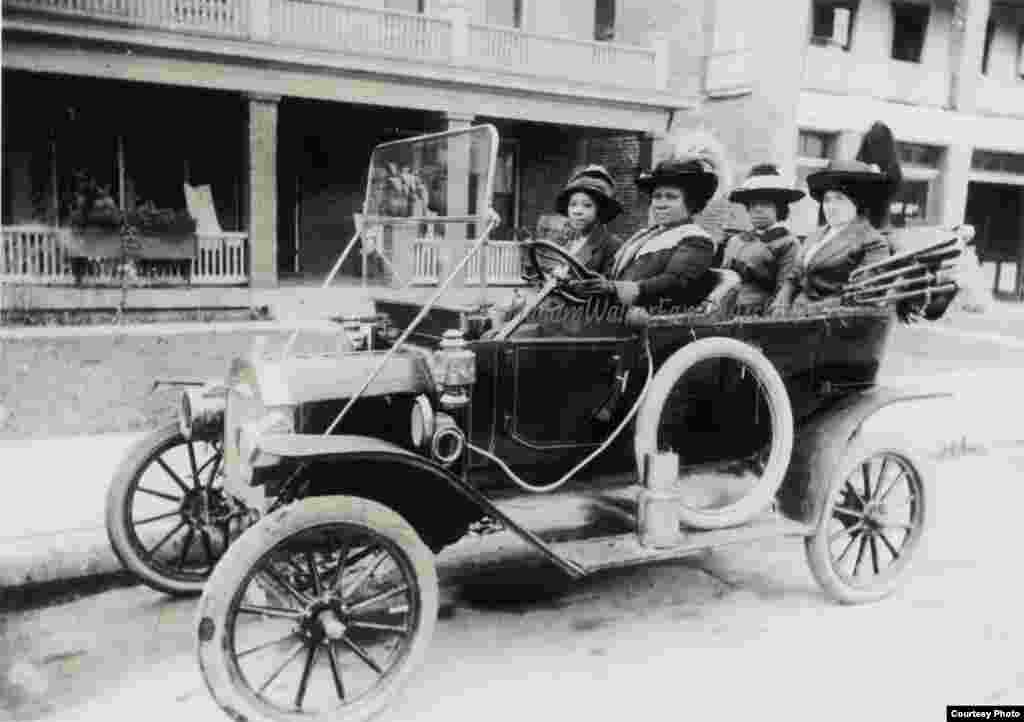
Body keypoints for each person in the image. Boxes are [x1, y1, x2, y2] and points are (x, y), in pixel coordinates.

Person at [772, 123, 901, 314]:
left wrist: (805, 311)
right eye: (827, 200)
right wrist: (782, 301)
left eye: (839, 199)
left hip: (832, 321)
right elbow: (794, 276)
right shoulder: (817, 235)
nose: (830, 207)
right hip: (793, 315)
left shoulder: (873, 242)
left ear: (857, 203)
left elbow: (860, 295)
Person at [571, 154, 719, 313]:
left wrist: (614, 288)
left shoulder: (696, 239)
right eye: (657, 197)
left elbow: (676, 283)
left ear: (691, 202)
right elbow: (614, 275)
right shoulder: (645, 236)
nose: (661, 204)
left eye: (671, 197)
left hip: (650, 318)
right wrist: (593, 284)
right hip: (615, 311)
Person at [721, 164, 804, 314]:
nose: (758, 209)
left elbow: (784, 289)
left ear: (779, 208)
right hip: (725, 309)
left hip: (759, 312)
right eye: (753, 204)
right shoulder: (736, 240)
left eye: (765, 204)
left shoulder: (788, 243)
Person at [551, 165, 623, 276]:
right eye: (573, 204)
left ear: (599, 210)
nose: (577, 211)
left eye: (587, 205)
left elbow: (608, 284)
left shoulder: (611, 245)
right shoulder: (566, 241)